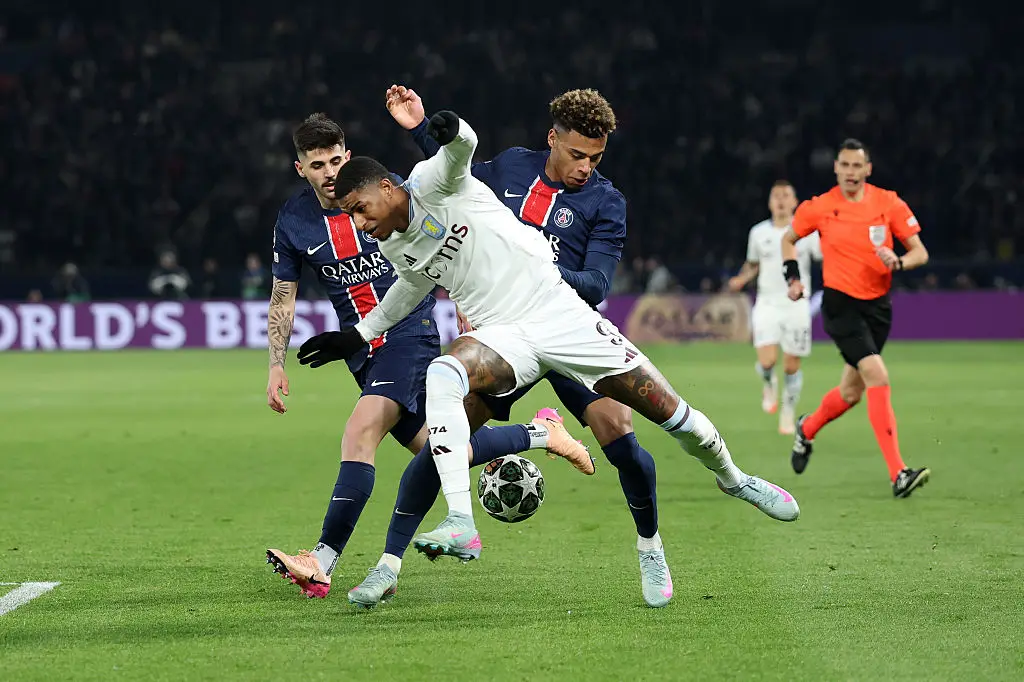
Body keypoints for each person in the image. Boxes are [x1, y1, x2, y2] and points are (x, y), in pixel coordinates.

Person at [297, 112, 801, 605]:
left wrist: (447, 126)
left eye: (361, 210)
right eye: (353, 217)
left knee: (671, 422)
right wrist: (359, 335)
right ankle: (434, 538)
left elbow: (461, 151)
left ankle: (728, 483)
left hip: (562, 317)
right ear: (554, 140)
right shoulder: (409, 234)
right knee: (444, 384)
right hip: (502, 336)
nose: (360, 225)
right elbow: (412, 284)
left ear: (387, 188)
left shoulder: (436, 182)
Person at [357, 85, 673, 609]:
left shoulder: (605, 201)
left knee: (621, 439)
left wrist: (527, 264)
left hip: (566, 333)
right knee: (446, 443)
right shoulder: (507, 169)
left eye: (596, 158)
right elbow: (448, 187)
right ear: (553, 139)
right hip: (500, 340)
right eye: (576, 155)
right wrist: (419, 128)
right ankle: (388, 564)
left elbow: (595, 284)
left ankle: (650, 545)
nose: (585, 168)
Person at [263, 113, 589, 599]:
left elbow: (444, 242)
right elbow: (283, 294)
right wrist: (275, 363)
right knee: (437, 447)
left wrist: (464, 306)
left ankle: (322, 559)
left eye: (336, 160)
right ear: (300, 168)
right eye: (317, 164)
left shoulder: (385, 193)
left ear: (347, 157)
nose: (329, 172)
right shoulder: (293, 221)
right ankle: (540, 433)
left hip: (407, 332)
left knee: (360, 431)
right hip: (362, 355)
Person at [782, 139, 931, 498]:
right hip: (840, 305)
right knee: (877, 373)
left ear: (868, 169)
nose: (850, 172)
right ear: (836, 168)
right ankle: (899, 473)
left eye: (856, 166)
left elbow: (920, 253)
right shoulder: (820, 207)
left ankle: (807, 428)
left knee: (851, 391)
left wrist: (899, 262)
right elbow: (789, 240)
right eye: (844, 165)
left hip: (878, 307)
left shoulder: (888, 203)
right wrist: (794, 278)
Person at [728, 180, 821, 434]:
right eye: (776, 196)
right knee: (767, 361)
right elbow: (753, 264)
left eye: (786, 195)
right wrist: (741, 279)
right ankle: (769, 382)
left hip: (796, 304)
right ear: (770, 202)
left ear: (794, 202)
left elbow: (824, 257)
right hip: (767, 302)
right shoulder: (758, 233)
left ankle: (788, 412)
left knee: (791, 364)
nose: (780, 200)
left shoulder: (807, 232)